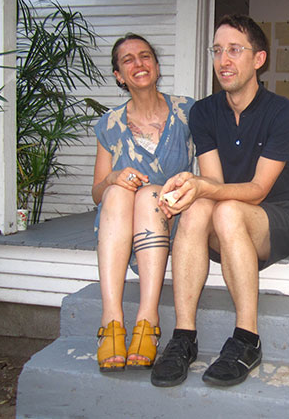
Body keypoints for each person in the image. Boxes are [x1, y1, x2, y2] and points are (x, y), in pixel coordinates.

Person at [150, 14, 289, 388]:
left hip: (274, 219)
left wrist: (205, 189)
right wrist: (191, 186)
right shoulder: (203, 112)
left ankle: (247, 339)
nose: (224, 60)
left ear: (259, 59)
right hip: (225, 219)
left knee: (227, 209)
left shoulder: (283, 112)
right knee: (201, 206)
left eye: (235, 50)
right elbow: (214, 182)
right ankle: (183, 338)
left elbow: (258, 190)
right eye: (218, 50)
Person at [92, 33, 194, 372]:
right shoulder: (109, 125)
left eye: (145, 55)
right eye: (128, 60)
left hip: (171, 215)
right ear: (119, 75)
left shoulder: (187, 112)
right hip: (120, 220)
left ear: (156, 65)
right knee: (118, 190)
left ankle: (148, 318)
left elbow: (208, 173)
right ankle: (112, 319)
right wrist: (112, 178)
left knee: (151, 192)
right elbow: (97, 192)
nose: (139, 63)